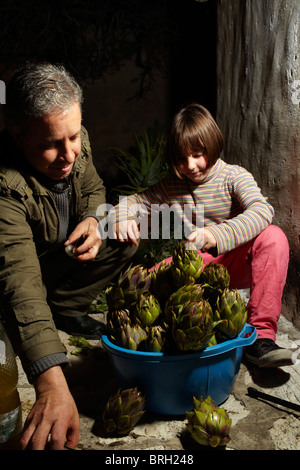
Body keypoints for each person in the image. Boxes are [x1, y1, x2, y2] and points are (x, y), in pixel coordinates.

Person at [0, 62, 137, 450]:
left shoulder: (73, 141)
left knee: (123, 231)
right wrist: (53, 386)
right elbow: (19, 280)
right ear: (16, 132)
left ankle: (64, 306)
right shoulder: (4, 187)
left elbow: (94, 187)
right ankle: (39, 323)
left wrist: (94, 220)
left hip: (54, 258)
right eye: (51, 143)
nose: (68, 154)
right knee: (17, 314)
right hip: (16, 269)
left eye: (74, 136)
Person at [112, 103, 293, 369]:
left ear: (211, 146)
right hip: (196, 264)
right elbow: (135, 201)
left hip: (235, 262)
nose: (191, 166)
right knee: (141, 282)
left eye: (197, 154)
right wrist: (122, 216)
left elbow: (262, 210)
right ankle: (147, 341)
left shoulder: (233, 176)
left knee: (274, 236)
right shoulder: (174, 184)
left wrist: (215, 234)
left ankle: (261, 338)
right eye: (181, 159)